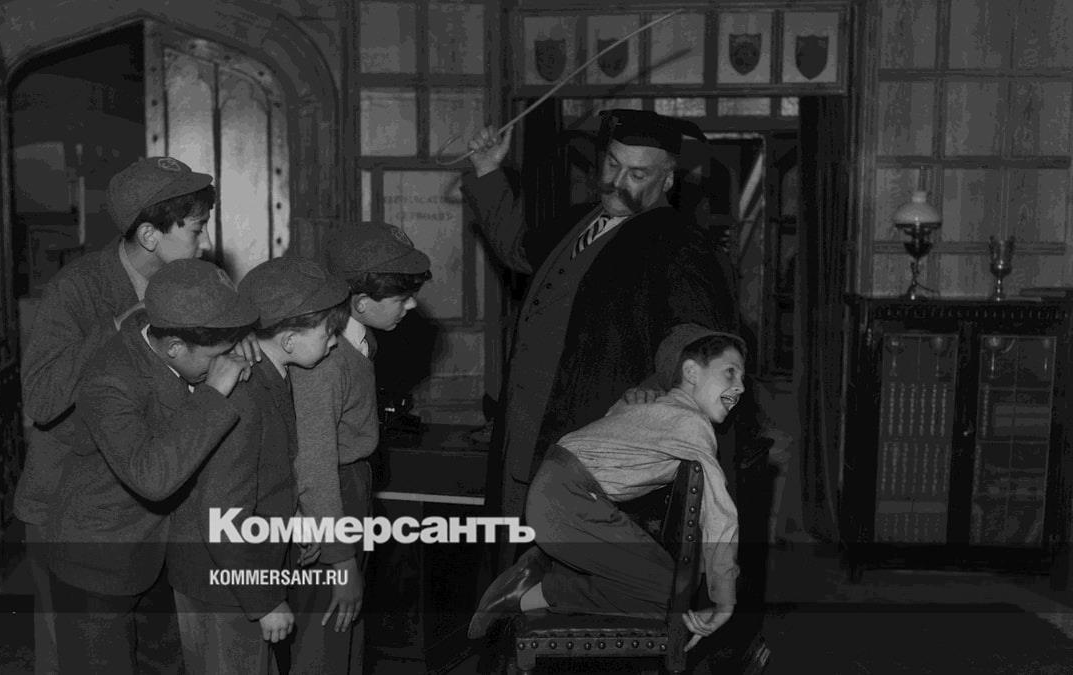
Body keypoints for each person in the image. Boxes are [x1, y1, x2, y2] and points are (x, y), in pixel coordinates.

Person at [461, 110, 739, 560]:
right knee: (514, 562)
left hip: (588, 439)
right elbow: (518, 249)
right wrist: (488, 170)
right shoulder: (582, 219)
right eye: (612, 164)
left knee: (564, 571)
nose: (616, 182)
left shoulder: (678, 243)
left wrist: (655, 384)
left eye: (637, 174)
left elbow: (700, 338)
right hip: (525, 431)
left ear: (667, 180)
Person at [16, 156, 216, 674]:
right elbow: (41, 399)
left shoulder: (191, 285)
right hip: (70, 512)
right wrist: (118, 327)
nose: (205, 243)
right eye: (196, 230)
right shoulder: (78, 288)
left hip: (149, 508)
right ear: (150, 235)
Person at [468, 324, 745, 649]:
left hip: (564, 495)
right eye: (730, 372)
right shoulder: (691, 423)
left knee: (670, 589)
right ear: (691, 372)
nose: (740, 387)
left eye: (742, 377)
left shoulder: (658, 408)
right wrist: (724, 599)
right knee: (671, 597)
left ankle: (545, 568)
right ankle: (530, 593)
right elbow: (720, 514)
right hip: (568, 500)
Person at [47, 259, 258, 673]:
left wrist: (237, 336)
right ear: (174, 346)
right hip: (96, 561)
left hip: (154, 555)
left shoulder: (173, 335)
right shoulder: (108, 380)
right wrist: (214, 391)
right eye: (218, 357)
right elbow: (153, 478)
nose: (227, 362)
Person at [165, 256, 349, 674]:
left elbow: (264, 475)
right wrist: (263, 601)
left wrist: (291, 520)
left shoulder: (271, 377)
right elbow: (221, 514)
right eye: (329, 332)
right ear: (289, 339)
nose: (335, 342)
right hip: (224, 585)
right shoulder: (246, 396)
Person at [285, 222, 432, 674]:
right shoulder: (325, 360)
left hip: (349, 490)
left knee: (345, 637)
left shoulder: (358, 339)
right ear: (362, 302)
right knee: (324, 640)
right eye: (402, 297)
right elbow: (314, 464)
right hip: (329, 499)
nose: (412, 305)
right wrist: (340, 559)